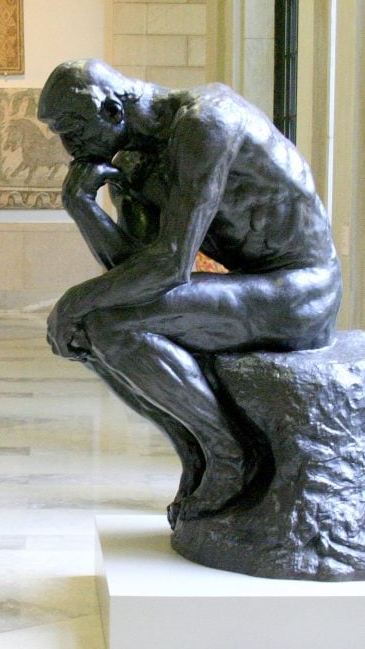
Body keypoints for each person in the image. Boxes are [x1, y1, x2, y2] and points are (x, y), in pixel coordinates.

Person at [38, 59, 342, 524]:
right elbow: (135, 273)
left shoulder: (206, 122)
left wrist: (75, 300)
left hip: (301, 289)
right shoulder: (139, 161)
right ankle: (197, 450)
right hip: (255, 285)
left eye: (73, 131)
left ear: (112, 110)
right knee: (90, 333)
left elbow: (170, 267)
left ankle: (231, 455)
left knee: (105, 324)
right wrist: (83, 208)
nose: (68, 148)